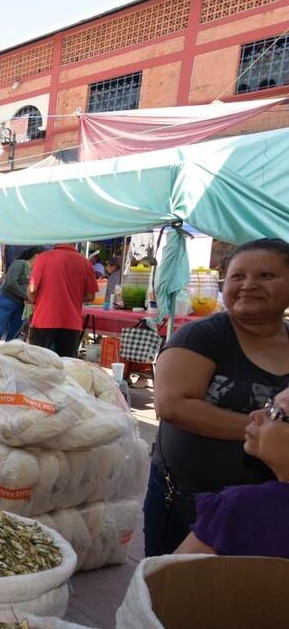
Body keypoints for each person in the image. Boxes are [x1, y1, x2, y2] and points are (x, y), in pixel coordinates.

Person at [146, 238, 289, 556]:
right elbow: (173, 405)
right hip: (186, 500)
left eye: (266, 275)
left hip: (269, 512)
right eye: (238, 276)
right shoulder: (202, 335)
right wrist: (267, 431)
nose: (248, 285)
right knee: (169, 581)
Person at [175, 388, 289, 558]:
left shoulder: (241, 507)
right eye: (269, 404)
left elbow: (167, 572)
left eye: (275, 412)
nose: (255, 415)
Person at [26, 243, 98, 358]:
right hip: (71, 322)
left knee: (38, 362)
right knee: (67, 364)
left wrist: (34, 300)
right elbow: (90, 297)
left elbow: (32, 289)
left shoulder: (44, 257)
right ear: (75, 242)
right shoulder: (85, 262)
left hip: (44, 319)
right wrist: (72, 297)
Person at [0, 246, 42, 349]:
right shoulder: (20, 264)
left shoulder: (34, 270)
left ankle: (8, 354)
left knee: (14, 335)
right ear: (36, 256)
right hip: (6, 300)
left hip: (20, 305)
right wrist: (26, 296)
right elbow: (10, 283)